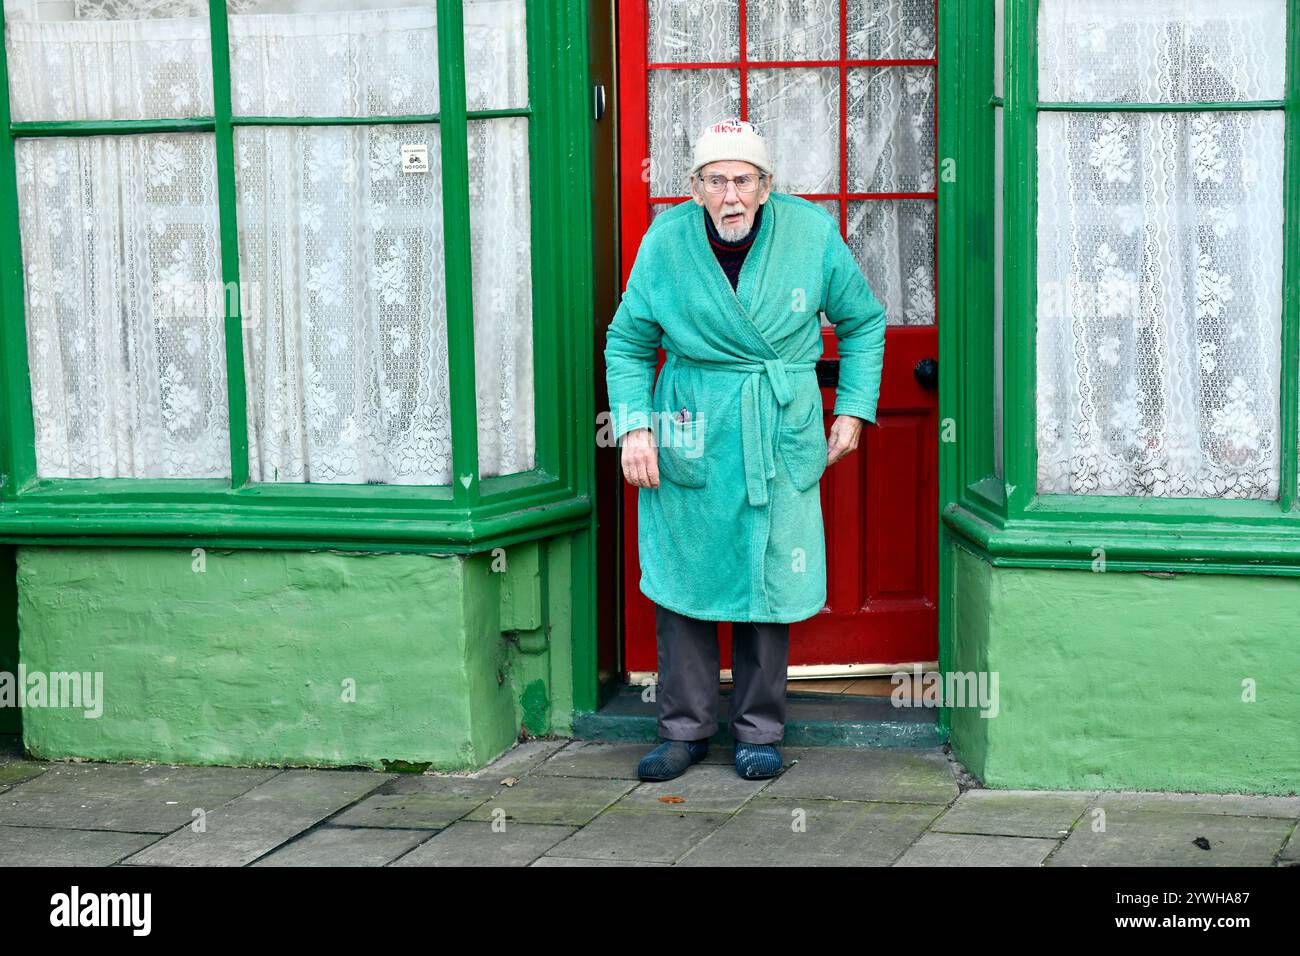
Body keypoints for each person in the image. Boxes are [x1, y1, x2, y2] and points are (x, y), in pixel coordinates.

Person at [603, 118, 886, 781]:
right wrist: (635, 426)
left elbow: (864, 320)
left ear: (766, 186)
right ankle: (684, 730)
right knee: (686, 578)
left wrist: (852, 407)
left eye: (744, 179)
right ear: (694, 187)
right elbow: (628, 341)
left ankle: (759, 730)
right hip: (689, 421)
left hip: (777, 422)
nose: (731, 195)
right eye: (716, 180)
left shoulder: (809, 233)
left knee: (769, 577)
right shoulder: (667, 240)